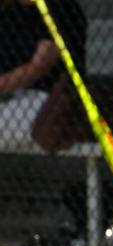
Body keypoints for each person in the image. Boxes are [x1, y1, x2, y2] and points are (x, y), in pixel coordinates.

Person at [0, 0, 85, 150]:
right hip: (8, 97)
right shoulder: (8, 9)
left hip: (48, 99)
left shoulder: (59, 8)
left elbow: (39, 67)